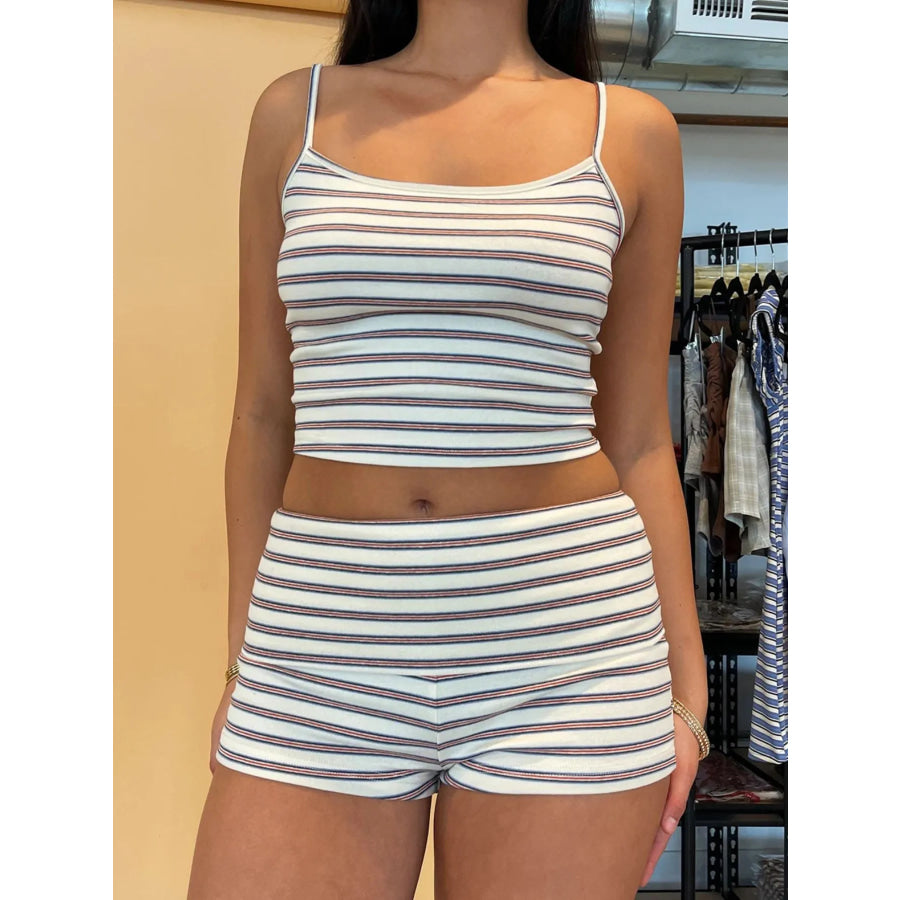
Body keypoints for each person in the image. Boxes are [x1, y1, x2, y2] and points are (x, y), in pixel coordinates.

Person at [188, 1, 708, 897]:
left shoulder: (628, 132)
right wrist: (247, 661)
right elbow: (263, 417)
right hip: (319, 648)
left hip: (570, 656)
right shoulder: (293, 113)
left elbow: (636, 438)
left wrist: (688, 691)